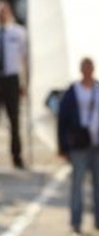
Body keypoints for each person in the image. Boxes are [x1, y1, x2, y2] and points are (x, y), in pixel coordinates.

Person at [58, 57, 99, 235]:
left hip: (97, 145)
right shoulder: (73, 91)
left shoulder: (97, 90)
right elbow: (63, 120)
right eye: (85, 67)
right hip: (79, 144)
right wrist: (63, 146)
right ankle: (76, 221)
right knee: (77, 185)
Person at [0, 0, 28, 169]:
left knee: (14, 120)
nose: (2, 15)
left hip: (12, 79)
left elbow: (24, 59)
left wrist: (24, 83)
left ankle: (17, 156)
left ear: (9, 13)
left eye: (4, 12)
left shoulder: (19, 32)